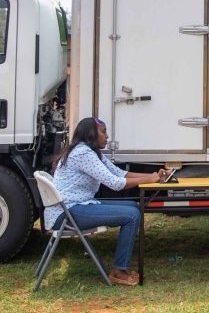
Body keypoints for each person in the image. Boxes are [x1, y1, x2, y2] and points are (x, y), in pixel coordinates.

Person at [45, 118, 170, 286]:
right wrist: (151, 178)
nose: (107, 135)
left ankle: (122, 269)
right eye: (103, 131)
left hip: (75, 207)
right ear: (91, 134)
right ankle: (119, 271)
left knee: (134, 207)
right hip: (67, 213)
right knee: (132, 215)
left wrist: (153, 177)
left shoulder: (90, 151)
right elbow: (115, 184)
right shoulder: (83, 154)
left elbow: (119, 174)